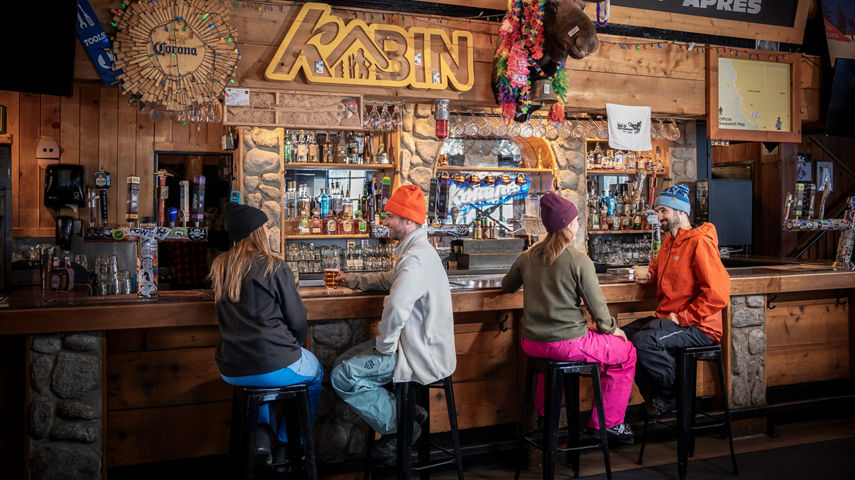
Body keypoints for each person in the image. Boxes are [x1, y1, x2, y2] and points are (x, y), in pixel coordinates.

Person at [330, 185, 456, 463]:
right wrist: (354, 280)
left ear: (408, 220)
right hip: (421, 345)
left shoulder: (414, 259)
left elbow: (397, 306)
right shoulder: (419, 252)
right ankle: (411, 412)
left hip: (419, 352)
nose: (385, 222)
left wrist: (385, 346)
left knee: (342, 375)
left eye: (390, 217)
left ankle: (402, 427)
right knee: (343, 362)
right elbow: (391, 280)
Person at [502, 192, 636, 443]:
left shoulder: (527, 257)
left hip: (532, 343)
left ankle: (545, 418)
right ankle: (607, 424)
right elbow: (597, 308)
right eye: (575, 219)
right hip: (568, 343)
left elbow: (506, 285)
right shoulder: (578, 259)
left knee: (549, 361)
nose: (577, 224)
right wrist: (611, 329)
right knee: (626, 352)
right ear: (567, 224)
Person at [211, 202, 324, 468]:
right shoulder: (275, 266)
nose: (271, 233)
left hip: (231, 367)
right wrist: (293, 345)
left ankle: (261, 436)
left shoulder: (219, 267)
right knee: (316, 372)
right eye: (267, 228)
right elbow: (297, 319)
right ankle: (289, 444)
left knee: (259, 377)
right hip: (271, 361)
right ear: (257, 233)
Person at [623, 184, 730, 418]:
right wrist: (649, 276)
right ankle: (657, 396)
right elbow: (659, 269)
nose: (658, 216)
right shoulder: (668, 243)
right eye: (657, 211)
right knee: (624, 338)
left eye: (663, 211)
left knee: (644, 341)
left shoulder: (699, 242)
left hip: (700, 326)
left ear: (680, 212)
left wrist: (684, 317)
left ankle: (671, 395)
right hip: (670, 319)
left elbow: (718, 293)